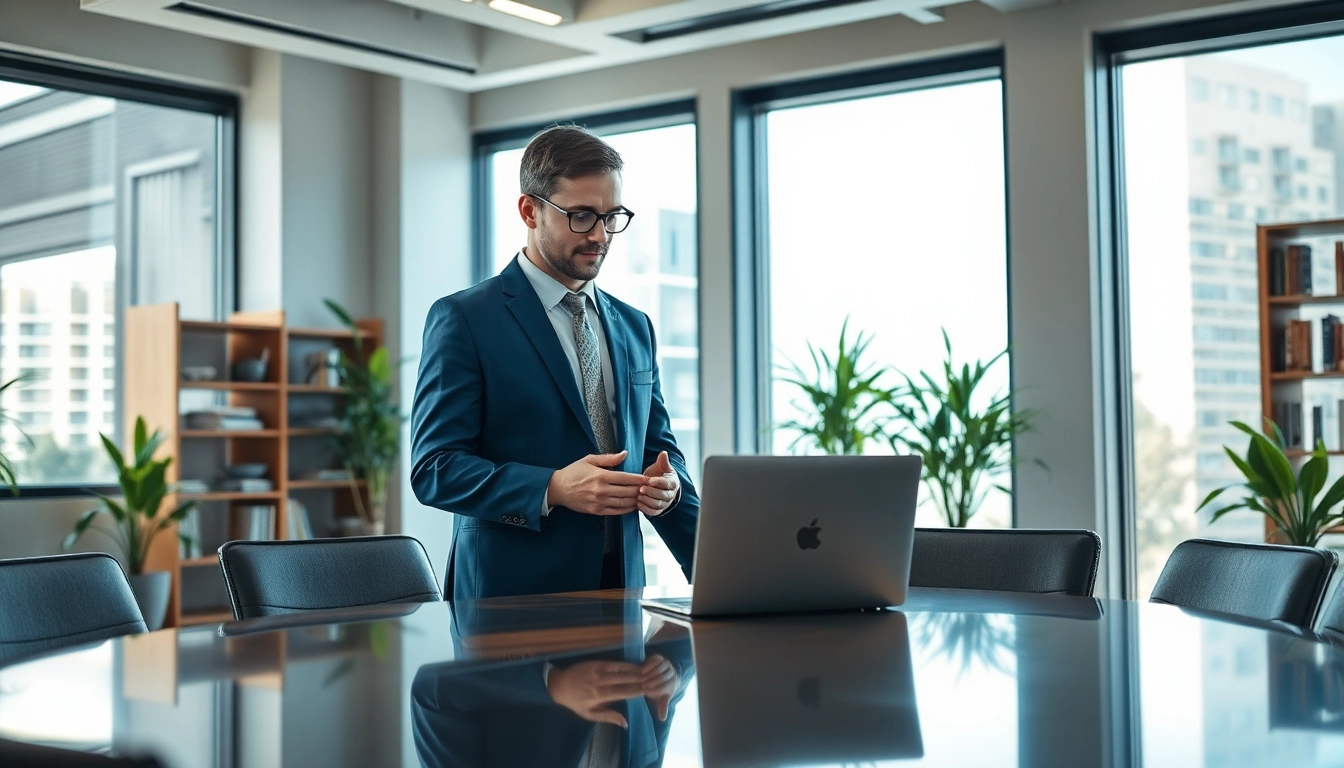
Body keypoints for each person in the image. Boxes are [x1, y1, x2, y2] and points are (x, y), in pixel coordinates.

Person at [411, 124, 699, 601]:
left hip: (622, 591)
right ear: (530, 210)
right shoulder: (464, 318)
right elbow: (435, 468)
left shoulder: (634, 325)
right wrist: (554, 487)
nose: (601, 236)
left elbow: (658, 450)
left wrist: (669, 493)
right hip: (511, 605)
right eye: (582, 216)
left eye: (612, 217)